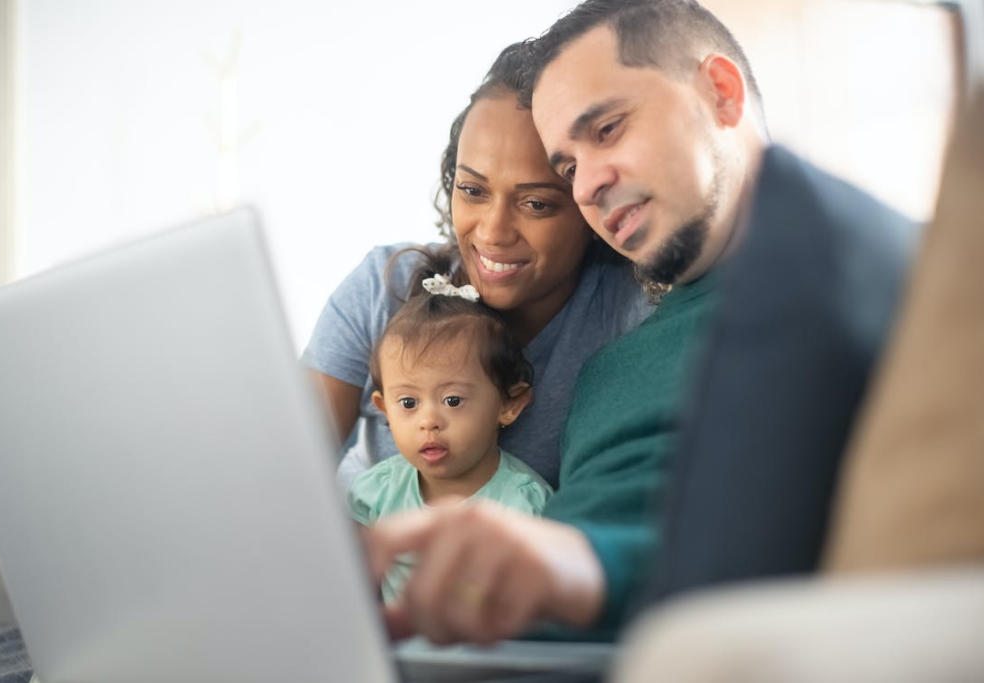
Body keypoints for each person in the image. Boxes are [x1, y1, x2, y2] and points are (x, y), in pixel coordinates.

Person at [365, 0, 769, 645]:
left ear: (719, 93)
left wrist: (571, 568)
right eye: (571, 166)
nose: (589, 186)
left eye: (608, 129)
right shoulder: (616, 368)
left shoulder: (815, 284)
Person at [302, 42, 654, 492]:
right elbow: (283, 473)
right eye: (472, 190)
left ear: (591, 204)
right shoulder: (381, 288)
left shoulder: (628, 314)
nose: (493, 232)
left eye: (536, 203)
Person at [348, 247, 553, 603]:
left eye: (453, 401)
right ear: (384, 409)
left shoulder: (522, 503)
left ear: (509, 404)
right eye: (408, 404)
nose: (429, 422)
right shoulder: (376, 492)